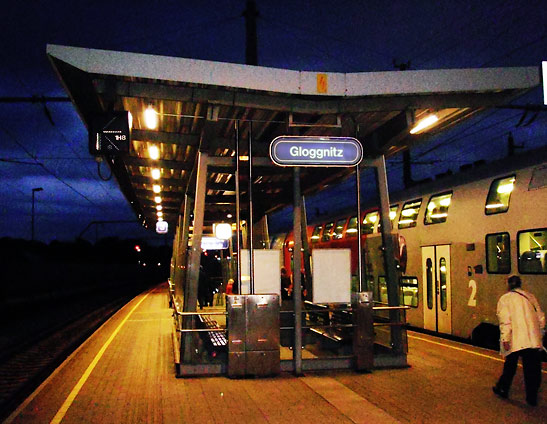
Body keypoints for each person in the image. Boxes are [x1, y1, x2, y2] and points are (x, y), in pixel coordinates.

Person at [492, 275, 545, 406]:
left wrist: (505, 338)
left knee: (510, 365)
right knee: (532, 369)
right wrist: (540, 334)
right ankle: (532, 398)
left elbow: (505, 321)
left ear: (509, 285)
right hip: (532, 339)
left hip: (515, 338)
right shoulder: (530, 297)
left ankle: (503, 388)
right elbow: (541, 319)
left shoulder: (505, 299)